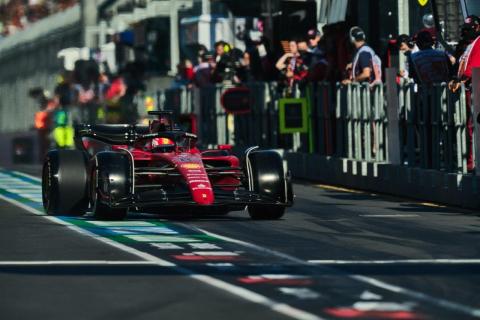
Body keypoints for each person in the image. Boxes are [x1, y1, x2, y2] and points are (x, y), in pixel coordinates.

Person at [449, 15, 480, 172]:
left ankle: (473, 162)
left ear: (477, 28)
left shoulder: (478, 42)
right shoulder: (469, 44)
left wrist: (460, 81)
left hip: (475, 90)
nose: (465, 33)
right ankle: (471, 161)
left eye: (469, 29)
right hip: (468, 90)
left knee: (472, 127)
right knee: (469, 127)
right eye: (464, 30)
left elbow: (471, 69)